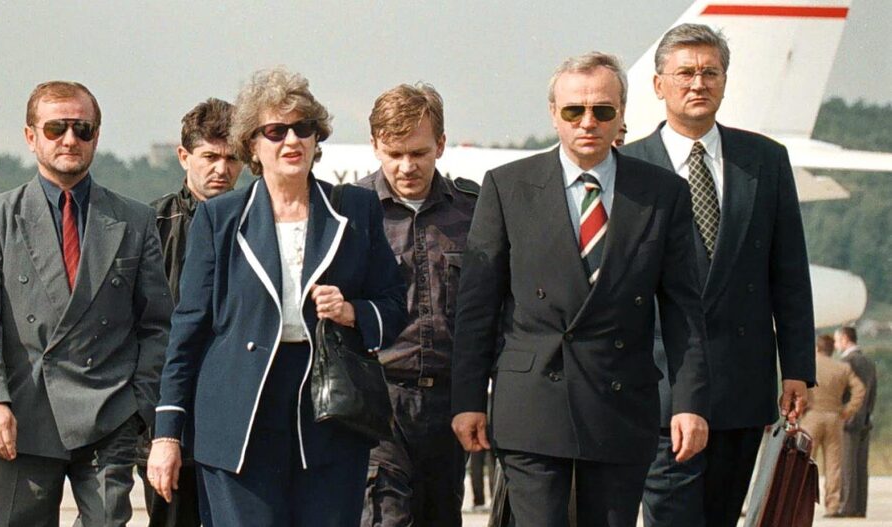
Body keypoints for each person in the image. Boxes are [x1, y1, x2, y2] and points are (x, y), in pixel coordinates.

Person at [451, 52, 709, 527]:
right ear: (554, 114)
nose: (588, 122)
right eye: (574, 110)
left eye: (602, 110)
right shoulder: (508, 186)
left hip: (620, 403)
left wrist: (690, 403)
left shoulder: (662, 192)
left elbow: (683, 311)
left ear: (621, 115)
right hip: (532, 403)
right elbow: (477, 307)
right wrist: (468, 399)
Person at [146, 67, 407, 527]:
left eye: (303, 128)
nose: (292, 140)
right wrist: (167, 434)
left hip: (329, 419)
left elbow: (394, 305)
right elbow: (187, 331)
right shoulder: (219, 219)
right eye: (276, 130)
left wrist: (353, 312)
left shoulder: (355, 209)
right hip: (238, 419)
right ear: (253, 144)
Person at [621, 23, 815, 527]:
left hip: (741, 384)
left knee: (724, 517)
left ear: (725, 82)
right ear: (659, 84)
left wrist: (797, 366)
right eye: (684, 72)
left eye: (710, 72)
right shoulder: (627, 166)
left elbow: (788, 273)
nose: (697, 83)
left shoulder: (765, 161)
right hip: (656, 387)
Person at [0, 80, 172, 527]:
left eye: (83, 128)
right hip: (24, 414)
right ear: (30, 136)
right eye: (56, 128)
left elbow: (157, 325)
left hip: (110, 413)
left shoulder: (133, 219)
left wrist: (139, 403)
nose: (70, 139)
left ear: (97, 135)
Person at [356, 83, 477, 527]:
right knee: (386, 517)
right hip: (378, 402)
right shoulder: (349, 213)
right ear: (375, 147)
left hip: (450, 403)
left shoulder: (473, 213)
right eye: (394, 153)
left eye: (419, 153)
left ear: (441, 145)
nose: (407, 166)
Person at [138, 98, 245, 527]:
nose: (221, 168)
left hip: (239, 406)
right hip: (168, 408)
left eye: (232, 158)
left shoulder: (259, 221)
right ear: (185, 156)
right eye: (210, 157)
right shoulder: (149, 226)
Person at [800, 334, 865, 517]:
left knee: (805, 462)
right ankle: (832, 506)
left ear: (817, 348)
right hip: (835, 417)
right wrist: (848, 410)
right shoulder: (842, 367)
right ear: (832, 349)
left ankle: (801, 502)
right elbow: (860, 389)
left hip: (811, 417)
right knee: (834, 464)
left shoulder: (810, 365)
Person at [835, 325, 878, 517]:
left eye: (837, 340)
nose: (836, 345)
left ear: (845, 339)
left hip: (848, 419)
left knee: (847, 465)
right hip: (865, 420)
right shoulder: (869, 362)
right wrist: (867, 413)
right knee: (861, 465)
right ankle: (860, 506)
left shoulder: (846, 362)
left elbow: (841, 393)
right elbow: (873, 392)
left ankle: (847, 506)